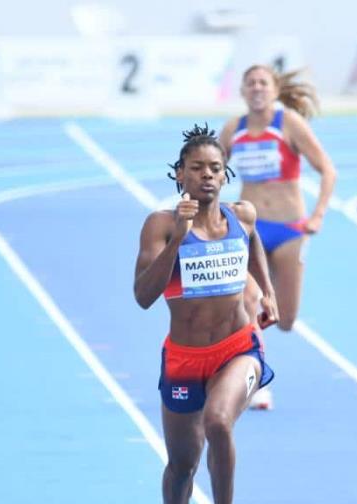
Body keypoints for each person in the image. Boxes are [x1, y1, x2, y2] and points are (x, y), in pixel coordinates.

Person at [134, 124, 279, 504]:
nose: (207, 175)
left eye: (215, 168)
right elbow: (143, 296)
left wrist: (267, 291)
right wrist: (179, 239)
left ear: (225, 173)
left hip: (238, 348)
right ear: (180, 173)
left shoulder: (241, 215)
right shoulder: (161, 226)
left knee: (218, 421)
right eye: (196, 168)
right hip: (184, 358)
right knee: (183, 464)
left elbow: (252, 241)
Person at [219, 65, 337, 410]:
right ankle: (249, 379)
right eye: (250, 82)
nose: (256, 88)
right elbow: (212, 169)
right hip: (249, 230)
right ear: (242, 90)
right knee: (247, 305)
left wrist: (318, 215)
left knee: (284, 319)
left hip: (288, 231)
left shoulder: (288, 124)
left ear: (273, 89)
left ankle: (245, 363)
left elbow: (328, 169)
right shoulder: (233, 129)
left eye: (262, 83)